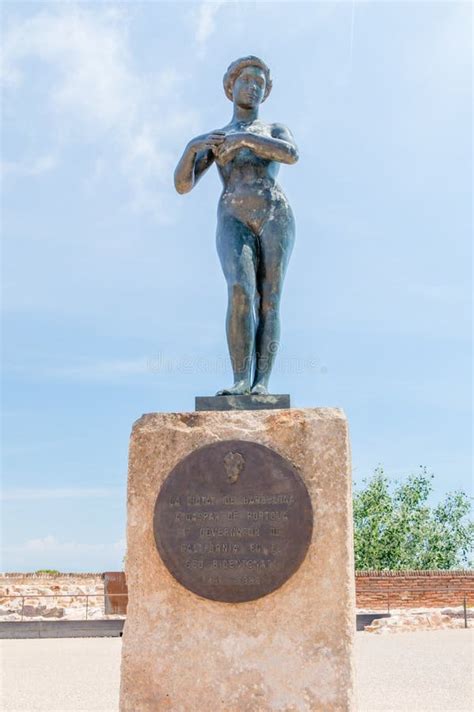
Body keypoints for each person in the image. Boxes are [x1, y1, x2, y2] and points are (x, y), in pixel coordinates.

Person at [174, 56, 298, 395]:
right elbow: (183, 185)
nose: (253, 87)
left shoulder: (272, 130)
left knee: (269, 300)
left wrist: (245, 140)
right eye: (247, 81)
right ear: (231, 87)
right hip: (232, 214)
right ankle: (241, 379)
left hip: (274, 213)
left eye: (260, 84)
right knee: (240, 290)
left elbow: (290, 153)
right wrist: (190, 149)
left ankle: (262, 384)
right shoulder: (218, 138)